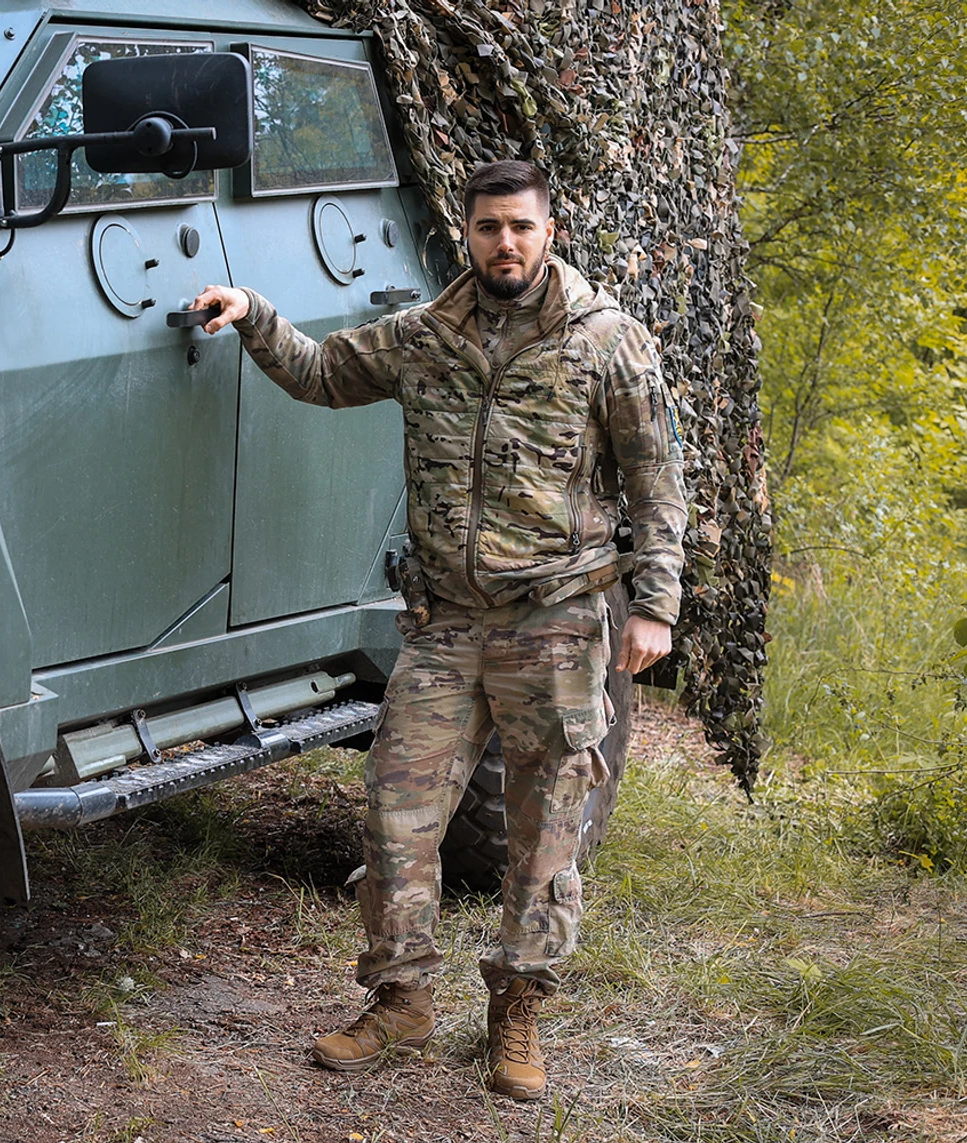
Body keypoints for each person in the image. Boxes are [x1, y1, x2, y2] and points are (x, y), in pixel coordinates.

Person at [192, 160, 685, 1100]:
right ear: (467, 232)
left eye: (523, 227)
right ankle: (402, 998)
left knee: (545, 828)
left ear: (551, 232)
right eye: (491, 226)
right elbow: (324, 372)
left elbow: (657, 479)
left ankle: (518, 1010)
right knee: (395, 814)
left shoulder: (607, 343)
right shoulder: (426, 338)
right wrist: (252, 311)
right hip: (446, 627)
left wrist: (655, 605)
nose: (507, 242)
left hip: (557, 621)